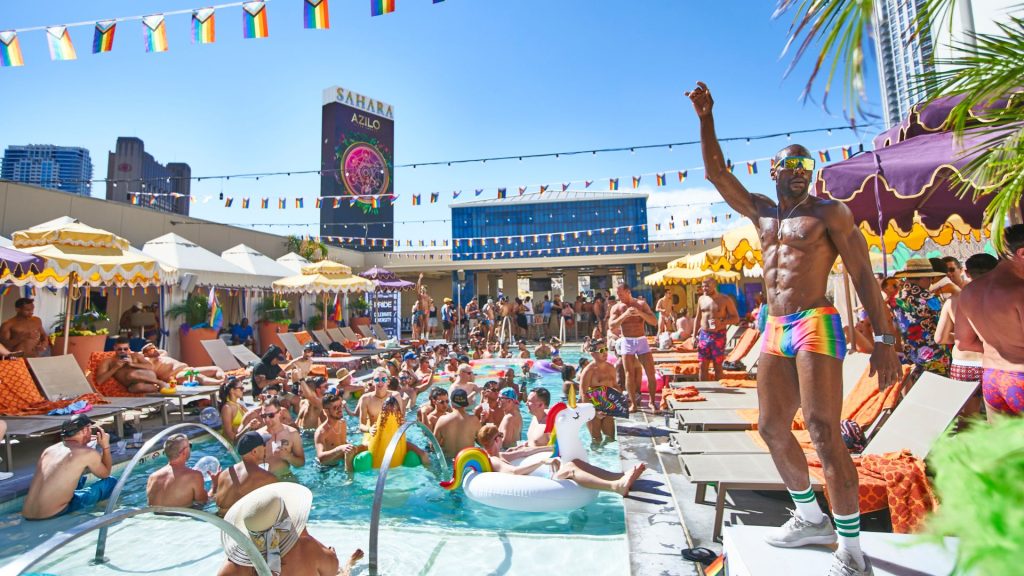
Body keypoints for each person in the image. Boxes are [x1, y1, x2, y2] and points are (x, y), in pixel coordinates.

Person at [689, 80, 901, 575]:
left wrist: (886, 340)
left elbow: (864, 277)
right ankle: (810, 517)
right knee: (770, 427)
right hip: (774, 325)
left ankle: (851, 550)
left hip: (815, 321)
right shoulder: (761, 211)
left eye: (809, 166)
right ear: (776, 171)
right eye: (795, 166)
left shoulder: (829, 213)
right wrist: (705, 117)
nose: (804, 172)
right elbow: (716, 173)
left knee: (825, 431)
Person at [218, 483, 363, 576]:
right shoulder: (307, 548)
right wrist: (302, 532)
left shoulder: (232, 568)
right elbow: (332, 568)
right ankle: (350, 564)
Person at [956, 224, 1024, 420]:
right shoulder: (1019, 290)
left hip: (993, 379)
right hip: (1020, 375)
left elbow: (964, 342)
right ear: (1021, 253)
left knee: (1002, 449)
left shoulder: (969, 291)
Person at [476, 424, 645, 495]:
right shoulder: (494, 460)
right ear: (497, 439)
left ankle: (618, 475)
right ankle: (615, 486)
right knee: (570, 469)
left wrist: (552, 448)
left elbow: (524, 452)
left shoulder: (500, 455)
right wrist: (542, 461)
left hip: (537, 480)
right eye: (501, 435)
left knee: (574, 463)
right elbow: (514, 472)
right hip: (536, 487)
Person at [936, 253, 998, 419]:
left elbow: (940, 338)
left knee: (967, 421)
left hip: (963, 364)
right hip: (994, 362)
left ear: (967, 272)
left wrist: (961, 336)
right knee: (998, 420)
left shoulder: (954, 300)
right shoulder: (1001, 297)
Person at [22, 414, 116, 519]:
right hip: (54, 513)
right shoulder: (87, 453)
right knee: (110, 483)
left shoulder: (49, 450)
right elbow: (105, 474)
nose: (91, 432)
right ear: (85, 430)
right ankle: (104, 510)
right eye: (90, 429)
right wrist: (105, 447)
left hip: (28, 514)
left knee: (79, 477)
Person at [892, 259, 951, 376]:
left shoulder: (896, 299)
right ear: (923, 277)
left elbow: (892, 328)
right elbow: (944, 326)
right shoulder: (929, 299)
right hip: (935, 358)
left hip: (909, 359)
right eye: (930, 278)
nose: (931, 282)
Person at [607, 282, 658, 412]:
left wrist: (640, 314)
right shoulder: (617, 308)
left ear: (628, 291)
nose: (619, 297)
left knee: (650, 371)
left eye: (621, 294)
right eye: (617, 294)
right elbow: (611, 326)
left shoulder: (640, 304)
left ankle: (652, 402)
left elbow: (654, 321)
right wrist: (625, 315)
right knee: (628, 373)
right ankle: (633, 404)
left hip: (641, 340)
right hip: (627, 341)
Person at [214, 431, 278, 515]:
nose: (265, 447)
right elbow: (280, 501)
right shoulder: (266, 478)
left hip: (219, 519)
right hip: (236, 523)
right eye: (263, 445)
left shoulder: (225, 472)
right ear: (254, 452)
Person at [692, 278, 741, 381]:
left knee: (717, 366)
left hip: (718, 335)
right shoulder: (701, 299)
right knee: (702, 365)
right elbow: (698, 318)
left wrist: (722, 322)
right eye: (703, 286)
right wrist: (693, 336)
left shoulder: (725, 299)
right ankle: (705, 391)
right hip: (704, 334)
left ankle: (720, 392)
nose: (704, 288)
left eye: (707, 286)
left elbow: (736, 318)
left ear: (714, 285)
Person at [146, 433, 209, 508]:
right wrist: (215, 486)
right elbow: (204, 502)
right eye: (190, 446)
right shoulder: (194, 476)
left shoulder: (152, 477)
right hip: (180, 518)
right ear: (184, 451)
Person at [580, 339, 620, 443]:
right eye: (601, 350)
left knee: (610, 439)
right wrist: (594, 412)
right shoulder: (589, 371)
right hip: (593, 409)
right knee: (596, 441)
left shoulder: (611, 368)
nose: (605, 352)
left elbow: (615, 386)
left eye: (605, 349)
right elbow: (583, 394)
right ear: (593, 354)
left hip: (608, 408)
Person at [95, 336, 166, 393]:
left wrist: (132, 364)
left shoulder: (135, 355)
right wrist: (115, 368)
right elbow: (99, 381)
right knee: (135, 388)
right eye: (120, 349)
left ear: (129, 348)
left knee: (131, 375)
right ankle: (158, 389)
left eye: (125, 349)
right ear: (115, 348)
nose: (122, 351)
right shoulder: (108, 361)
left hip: (148, 376)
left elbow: (150, 367)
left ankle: (159, 382)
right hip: (132, 385)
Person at [254, 397, 305, 476]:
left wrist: (288, 457)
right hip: (262, 479)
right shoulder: (257, 435)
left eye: (271, 415)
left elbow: (301, 463)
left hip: (284, 477)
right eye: (264, 416)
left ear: (280, 413)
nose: (267, 419)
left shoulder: (292, 434)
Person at [314, 393, 363, 471]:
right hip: (326, 469)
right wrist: (339, 449)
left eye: (340, 406)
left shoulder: (342, 423)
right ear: (326, 411)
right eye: (335, 408)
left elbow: (342, 443)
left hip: (341, 462)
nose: (340, 410)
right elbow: (321, 458)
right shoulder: (321, 432)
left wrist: (352, 447)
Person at [141, 342, 226, 386]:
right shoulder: (149, 361)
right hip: (177, 375)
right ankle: (220, 383)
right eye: (152, 350)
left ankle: (225, 379)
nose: (155, 350)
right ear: (146, 354)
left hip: (186, 368)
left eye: (155, 348)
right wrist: (144, 353)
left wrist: (152, 350)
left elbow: (164, 351)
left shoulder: (161, 356)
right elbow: (139, 357)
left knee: (216, 369)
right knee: (197, 376)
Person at [433, 388, 481, 461]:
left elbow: (433, 446)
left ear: (451, 402)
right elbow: (482, 443)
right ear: (466, 404)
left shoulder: (442, 420)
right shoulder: (474, 420)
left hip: (448, 462)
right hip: (466, 462)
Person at [220, 378, 248, 443]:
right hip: (232, 445)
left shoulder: (239, 405)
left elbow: (251, 416)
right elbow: (228, 433)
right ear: (232, 390)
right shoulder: (227, 408)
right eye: (241, 388)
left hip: (242, 440)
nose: (243, 391)